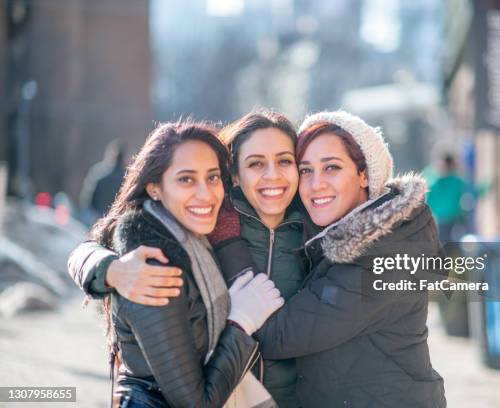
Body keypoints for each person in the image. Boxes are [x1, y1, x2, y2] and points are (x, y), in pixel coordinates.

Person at [68, 111, 305, 408]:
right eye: (256, 163)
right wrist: (112, 269)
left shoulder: (311, 231)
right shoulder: (163, 254)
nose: (204, 193)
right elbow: (88, 248)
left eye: (285, 160)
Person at [253, 111, 447, 407]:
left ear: (364, 174)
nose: (315, 184)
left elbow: (279, 336)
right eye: (305, 170)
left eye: (331, 167)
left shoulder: (382, 254)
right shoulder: (334, 237)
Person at [79, 139, 126, 225]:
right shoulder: (127, 180)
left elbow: (89, 201)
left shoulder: (99, 175)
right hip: (118, 222)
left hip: (99, 220)